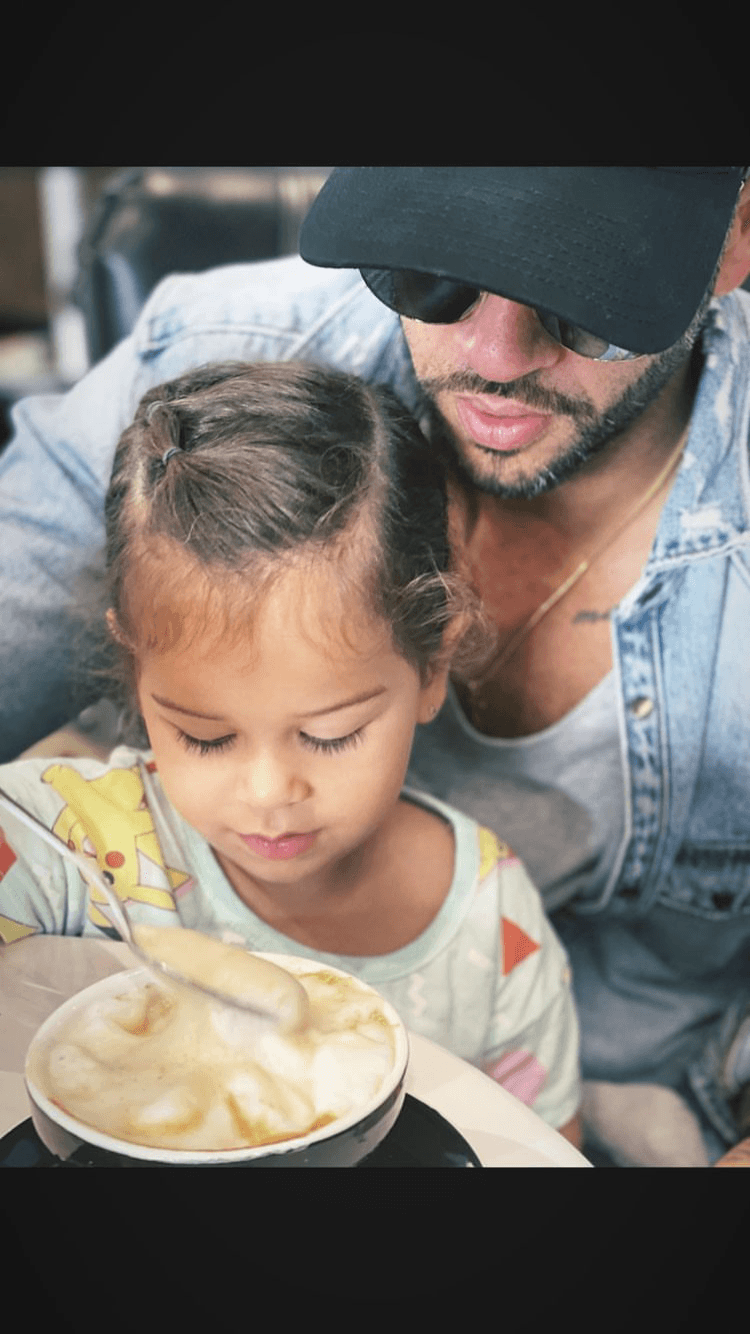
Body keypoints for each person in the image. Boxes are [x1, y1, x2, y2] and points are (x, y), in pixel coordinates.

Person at [1, 166, 749, 1165]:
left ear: (734, 239)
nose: (491, 357)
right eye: (432, 273)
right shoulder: (218, 372)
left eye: (581, 301)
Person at [0, 360, 582, 1145]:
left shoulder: (493, 924)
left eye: (330, 734)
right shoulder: (69, 846)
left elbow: (537, 1154)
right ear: (136, 676)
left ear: (432, 668)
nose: (270, 791)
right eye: (205, 736)